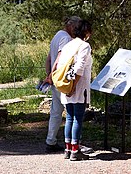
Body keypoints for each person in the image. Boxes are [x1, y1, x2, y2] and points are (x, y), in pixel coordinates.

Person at [59, 18, 92, 161]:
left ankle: (67, 149)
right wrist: (74, 86)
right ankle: (75, 150)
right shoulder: (84, 46)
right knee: (78, 118)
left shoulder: (68, 45)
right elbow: (79, 68)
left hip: (66, 85)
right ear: (86, 31)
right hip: (78, 86)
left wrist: (68, 86)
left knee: (69, 118)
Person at [43, 16, 78, 151]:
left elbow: (49, 58)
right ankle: (73, 143)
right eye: (75, 27)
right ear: (70, 25)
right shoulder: (66, 39)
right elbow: (58, 58)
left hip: (54, 80)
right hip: (61, 80)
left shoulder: (57, 35)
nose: (77, 30)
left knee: (56, 112)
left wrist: (49, 76)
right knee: (71, 112)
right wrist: (53, 76)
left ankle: (50, 141)